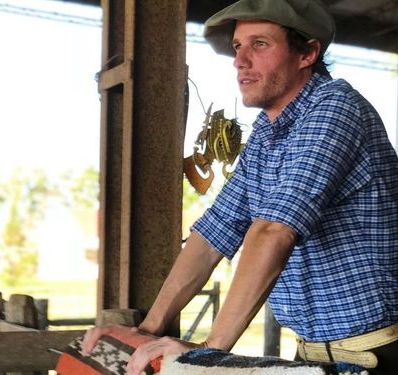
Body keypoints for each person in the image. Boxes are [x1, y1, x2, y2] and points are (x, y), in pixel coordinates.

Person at [80, 0, 398, 374]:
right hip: (312, 356)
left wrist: (210, 352)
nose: (240, 61)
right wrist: (147, 331)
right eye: (237, 46)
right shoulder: (266, 134)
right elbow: (215, 231)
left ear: (307, 53)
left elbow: (273, 230)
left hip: (381, 355)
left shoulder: (335, 107)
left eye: (259, 44)